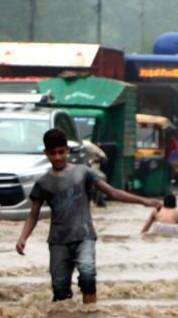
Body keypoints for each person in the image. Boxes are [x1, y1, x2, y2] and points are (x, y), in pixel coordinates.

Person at [16, 129, 161, 304]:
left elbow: (113, 193)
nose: (57, 157)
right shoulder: (43, 182)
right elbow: (33, 215)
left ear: (67, 150)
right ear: (46, 153)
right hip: (58, 242)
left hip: (84, 236)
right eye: (53, 153)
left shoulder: (83, 173)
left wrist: (144, 201)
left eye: (61, 152)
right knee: (60, 288)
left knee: (87, 276)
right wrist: (23, 238)